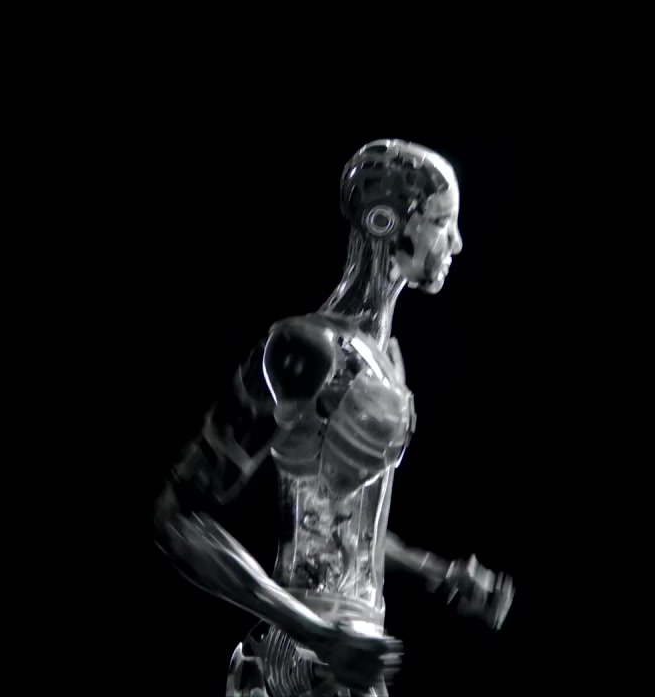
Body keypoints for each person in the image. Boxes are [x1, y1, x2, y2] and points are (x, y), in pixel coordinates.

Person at [155, 139, 513, 697]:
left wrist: (437, 572)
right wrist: (317, 634)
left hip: (347, 651)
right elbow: (176, 516)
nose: (457, 242)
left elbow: (332, 528)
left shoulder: (383, 361)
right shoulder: (304, 348)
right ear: (386, 222)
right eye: (443, 223)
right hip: (300, 657)